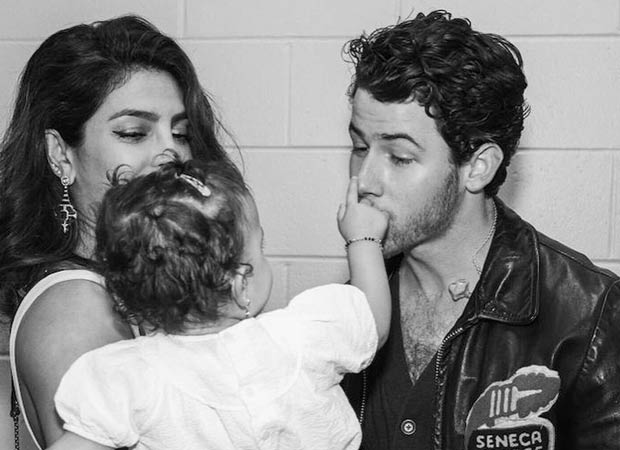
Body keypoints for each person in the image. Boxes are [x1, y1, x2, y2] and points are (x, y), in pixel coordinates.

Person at [340, 9, 620, 450]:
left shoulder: (587, 314)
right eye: (360, 147)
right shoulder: (348, 306)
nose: (365, 180)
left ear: (478, 167)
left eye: (400, 157)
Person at [0, 15, 238, 449]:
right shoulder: (77, 310)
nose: (170, 151)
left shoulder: (137, 288)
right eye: (133, 132)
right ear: (60, 154)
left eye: (180, 132)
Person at [45, 158, 389, 450]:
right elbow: (372, 320)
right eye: (260, 248)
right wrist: (364, 238)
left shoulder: (129, 377)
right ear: (241, 286)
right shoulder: (301, 338)